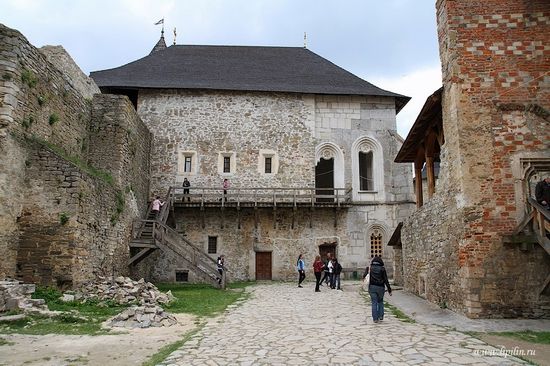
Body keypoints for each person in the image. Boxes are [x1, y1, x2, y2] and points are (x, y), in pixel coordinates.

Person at [363, 256, 392, 323]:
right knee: (380, 301)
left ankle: (375, 318)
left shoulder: (369, 268)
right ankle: (381, 315)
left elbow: (364, 276)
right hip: (381, 287)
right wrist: (389, 290)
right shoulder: (382, 269)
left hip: (372, 287)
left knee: (374, 302)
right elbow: (385, 280)